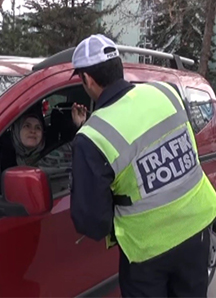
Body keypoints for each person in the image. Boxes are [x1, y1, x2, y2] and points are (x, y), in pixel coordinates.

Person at [69, 34, 216, 297]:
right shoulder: (165, 92)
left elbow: (92, 222)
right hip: (198, 228)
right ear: (119, 67)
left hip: (148, 250)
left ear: (87, 80)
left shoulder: (91, 139)